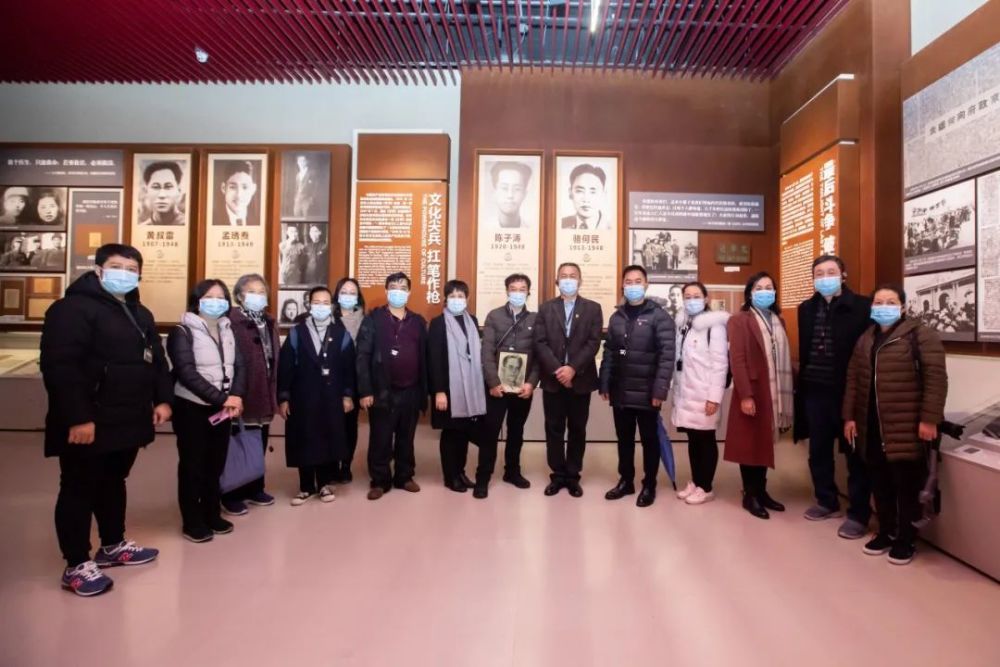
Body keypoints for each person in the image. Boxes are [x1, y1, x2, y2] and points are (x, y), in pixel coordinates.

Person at [40, 243, 172, 597]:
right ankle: (76, 564)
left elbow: (156, 360)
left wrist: (162, 399)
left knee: (114, 481)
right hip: (88, 420)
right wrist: (78, 417)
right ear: (98, 270)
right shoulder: (71, 309)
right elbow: (60, 367)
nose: (124, 273)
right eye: (117, 266)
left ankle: (113, 545)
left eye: (131, 268)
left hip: (128, 418)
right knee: (79, 487)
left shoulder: (139, 313)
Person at [843, 284, 948, 565]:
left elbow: (936, 379)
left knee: (906, 485)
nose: (883, 306)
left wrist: (929, 419)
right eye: (878, 302)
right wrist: (849, 416)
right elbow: (853, 379)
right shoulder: (866, 338)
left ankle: (906, 540)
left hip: (906, 426)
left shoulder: (920, 335)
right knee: (880, 483)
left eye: (890, 302)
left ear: (902, 306)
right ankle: (886, 531)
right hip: (872, 426)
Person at [795, 255, 873, 539]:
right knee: (818, 451)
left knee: (855, 455)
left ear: (844, 274)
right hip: (815, 391)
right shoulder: (805, 309)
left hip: (849, 392)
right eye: (819, 273)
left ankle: (859, 513)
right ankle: (826, 500)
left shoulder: (863, 307)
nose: (824, 277)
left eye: (831, 272)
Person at [167, 280, 246, 543]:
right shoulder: (182, 331)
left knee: (215, 464)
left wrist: (234, 396)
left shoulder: (227, 328)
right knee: (193, 465)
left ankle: (211, 513)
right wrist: (223, 399)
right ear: (197, 300)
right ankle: (192, 520)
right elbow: (186, 373)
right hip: (192, 407)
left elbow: (239, 366)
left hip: (222, 409)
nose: (217, 301)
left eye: (221, 297)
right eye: (210, 296)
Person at [599, 265, 675, 507]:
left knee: (649, 441)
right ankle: (626, 480)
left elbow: (666, 356)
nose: (633, 285)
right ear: (623, 285)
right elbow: (610, 351)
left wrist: (659, 391)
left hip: (647, 392)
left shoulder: (659, 316)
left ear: (646, 284)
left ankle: (649, 484)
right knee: (624, 440)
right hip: (620, 390)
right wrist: (605, 382)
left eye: (637, 281)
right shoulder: (617, 317)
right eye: (628, 281)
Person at [278, 286, 355, 505]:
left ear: (331, 305)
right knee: (304, 437)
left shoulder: (341, 334)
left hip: (331, 396)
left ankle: (323, 484)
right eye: (316, 302)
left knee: (326, 438)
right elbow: (286, 368)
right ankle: (305, 487)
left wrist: (348, 395)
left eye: (325, 302)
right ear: (309, 305)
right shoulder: (296, 332)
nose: (321, 306)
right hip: (302, 397)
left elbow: (349, 368)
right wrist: (284, 397)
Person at [725, 272, 794, 520]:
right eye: (759, 287)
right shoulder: (739, 320)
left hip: (772, 390)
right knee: (749, 443)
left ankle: (762, 491)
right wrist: (745, 395)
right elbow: (738, 360)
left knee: (764, 441)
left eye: (769, 287)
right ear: (750, 293)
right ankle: (750, 495)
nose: (765, 291)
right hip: (752, 390)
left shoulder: (778, 320)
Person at [356, 272, 428, 500]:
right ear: (386, 291)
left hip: (411, 389)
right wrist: (366, 390)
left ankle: (404, 476)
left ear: (409, 292)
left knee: (406, 437)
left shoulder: (417, 322)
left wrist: (424, 392)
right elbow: (362, 356)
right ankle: (379, 480)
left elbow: (424, 357)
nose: (398, 291)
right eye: (393, 287)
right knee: (381, 437)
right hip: (381, 391)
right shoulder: (373, 319)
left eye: (403, 287)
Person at [534, 262, 603, 497]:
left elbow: (593, 342)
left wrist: (572, 368)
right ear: (556, 280)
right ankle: (557, 475)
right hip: (553, 380)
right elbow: (540, 342)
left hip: (580, 379)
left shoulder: (593, 309)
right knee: (553, 428)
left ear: (580, 280)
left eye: (573, 276)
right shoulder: (545, 309)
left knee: (577, 429)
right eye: (563, 276)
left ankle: (573, 476)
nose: (568, 279)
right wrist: (558, 369)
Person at [220, 274, 280, 516]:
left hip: (265, 390)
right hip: (242, 391)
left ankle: (255, 486)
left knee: (259, 441)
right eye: (251, 291)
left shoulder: (269, 321)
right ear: (239, 296)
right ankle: (231, 493)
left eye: (261, 291)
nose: (258, 295)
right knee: (237, 442)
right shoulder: (231, 321)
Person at [671, 282, 730, 506]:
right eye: (687, 296)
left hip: (704, 394)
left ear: (706, 298)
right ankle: (696, 482)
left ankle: (706, 487)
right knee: (693, 439)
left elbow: (720, 364)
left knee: (705, 440)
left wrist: (714, 397)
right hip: (687, 392)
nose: (691, 299)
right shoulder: (683, 324)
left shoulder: (714, 326)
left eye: (696, 295)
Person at [428, 280, 488, 496]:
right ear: (445, 299)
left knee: (463, 432)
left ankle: (461, 472)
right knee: (451, 433)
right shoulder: (437, 323)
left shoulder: (472, 320)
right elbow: (434, 359)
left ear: (468, 298)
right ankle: (450, 476)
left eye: (461, 296)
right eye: (452, 296)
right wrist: (439, 391)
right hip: (449, 389)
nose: (456, 300)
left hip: (469, 388)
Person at [480, 273, 539, 491]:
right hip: (497, 388)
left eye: (522, 288)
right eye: (513, 289)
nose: (517, 292)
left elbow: (538, 356)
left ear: (528, 292)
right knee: (490, 431)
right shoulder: (494, 316)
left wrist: (531, 383)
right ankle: (483, 477)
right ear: (507, 291)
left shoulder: (535, 319)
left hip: (522, 388)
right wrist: (493, 382)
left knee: (516, 431)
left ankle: (512, 472)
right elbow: (486, 353)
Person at [333, 277, 365, 482]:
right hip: (330, 380)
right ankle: (330, 463)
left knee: (349, 425)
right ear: (337, 294)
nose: (348, 296)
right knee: (330, 423)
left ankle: (345, 464)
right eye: (344, 291)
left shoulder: (365, 321)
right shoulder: (327, 317)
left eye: (352, 292)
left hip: (354, 380)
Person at [560, 164, 609, 230]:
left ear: (603, 195)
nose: (586, 199)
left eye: (593, 192)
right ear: (570, 193)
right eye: (579, 191)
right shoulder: (560, 225)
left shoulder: (614, 228)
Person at [138, 161, 185, 226]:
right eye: (156, 187)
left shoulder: (186, 224)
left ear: (179, 191)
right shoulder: (142, 228)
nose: (161, 195)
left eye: (168, 187)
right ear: (146, 191)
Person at [213, 160, 259, 226]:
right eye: (232, 187)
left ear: (253, 189)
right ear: (223, 188)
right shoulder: (212, 220)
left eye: (245, 187)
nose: (239, 195)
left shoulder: (258, 221)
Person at [490, 161, 532, 228]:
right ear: (494, 192)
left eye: (517, 189)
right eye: (504, 188)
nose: (510, 195)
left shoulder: (531, 231)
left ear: (524, 194)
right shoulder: (484, 229)